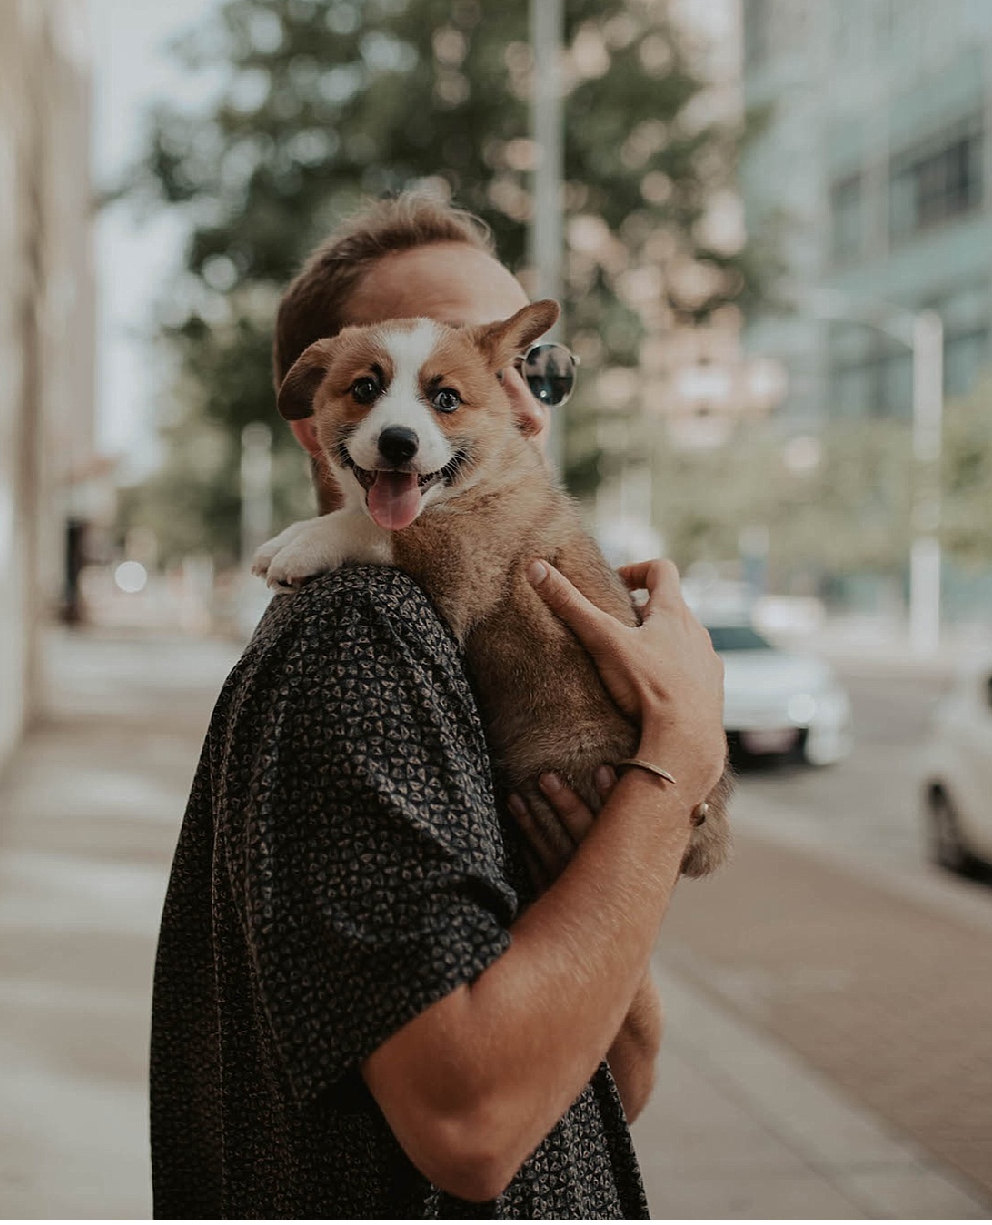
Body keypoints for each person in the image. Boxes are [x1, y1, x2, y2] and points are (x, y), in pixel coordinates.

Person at [149, 195, 726, 1218]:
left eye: (527, 369)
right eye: (378, 385)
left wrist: (603, 860)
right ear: (314, 421)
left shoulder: (460, 648)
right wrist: (676, 756)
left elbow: (611, 1086)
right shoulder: (358, 636)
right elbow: (473, 1123)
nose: (520, 405)